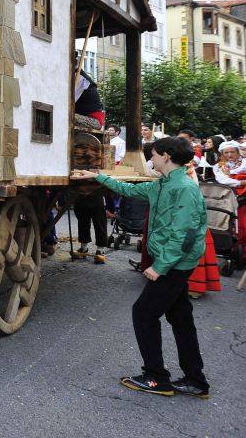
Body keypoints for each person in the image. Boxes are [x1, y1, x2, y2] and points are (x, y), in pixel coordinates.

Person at [72, 136, 210, 398]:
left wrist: (160, 266)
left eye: (155, 154)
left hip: (175, 265)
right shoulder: (164, 184)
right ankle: (195, 379)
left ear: (166, 156)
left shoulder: (183, 188)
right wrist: (97, 175)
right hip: (174, 263)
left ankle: (157, 377)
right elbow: (130, 190)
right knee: (180, 318)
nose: (152, 159)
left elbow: (186, 234)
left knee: (144, 313)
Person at [73, 62, 104, 128]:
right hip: (85, 116)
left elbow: (71, 100)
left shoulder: (82, 80)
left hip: (94, 121)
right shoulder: (80, 77)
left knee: (66, 115)